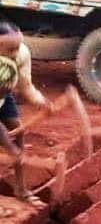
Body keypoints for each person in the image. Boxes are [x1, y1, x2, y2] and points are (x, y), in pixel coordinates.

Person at [0, 22, 52, 203]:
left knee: (18, 131)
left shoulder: (21, 53)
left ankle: (21, 190)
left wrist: (40, 101)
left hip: (3, 94)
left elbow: (25, 86)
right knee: (7, 140)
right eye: (10, 49)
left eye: (17, 47)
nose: (16, 53)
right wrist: (9, 146)